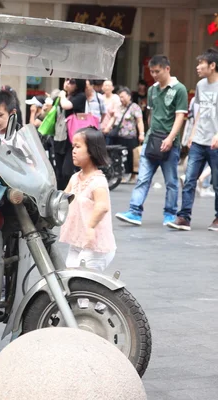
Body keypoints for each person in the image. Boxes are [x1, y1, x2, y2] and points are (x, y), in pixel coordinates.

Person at [115, 55, 188, 226]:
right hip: (151, 140)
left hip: (170, 142)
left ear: (167, 69)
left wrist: (170, 138)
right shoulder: (152, 90)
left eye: (157, 71)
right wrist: (148, 134)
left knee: (171, 181)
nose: (154, 75)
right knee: (143, 178)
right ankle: (134, 211)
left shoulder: (179, 89)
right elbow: (151, 115)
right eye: (152, 71)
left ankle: (170, 214)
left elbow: (180, 117)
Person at [167, 49, 218, 231]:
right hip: (199, 141)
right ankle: (184, 217)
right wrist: (192, 133)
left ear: (212, 65)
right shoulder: (201, 85)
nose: (198, 67)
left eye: (201, 63)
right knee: (189, 179)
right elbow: (201, 110)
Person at [60, 127, 116, 272]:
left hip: (96, 245)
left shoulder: (98, 181)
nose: (73, 150)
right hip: (78, 241)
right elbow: (63, 199)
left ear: (92, 150)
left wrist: (90, 227)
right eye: (73, 146)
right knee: (69, 280)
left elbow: (102, 206)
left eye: (78, 147)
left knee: (82, 282)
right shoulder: (75, 178)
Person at [104, 87, 145, 183]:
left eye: (123, 97)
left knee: (132, 157)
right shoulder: (119, 107)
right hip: (119, 136)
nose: (121, 99)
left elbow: (139, 121)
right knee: (119, 157)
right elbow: (113, 119)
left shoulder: (135, 107)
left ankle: (133, 176)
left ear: (129, 96)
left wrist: (142, 134)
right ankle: (121, 175)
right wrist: (107, 127)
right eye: (120, 97)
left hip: (130, 137)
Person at [54, 78, 87, 190]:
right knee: (58, 172)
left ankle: (70, 194)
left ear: (78, 85)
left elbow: (66, 106)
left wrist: (62, 95)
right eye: (66, 80)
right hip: (59, 136)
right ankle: (61, 197)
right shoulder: (62, 97)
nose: (67, 83)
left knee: (67, 171)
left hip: (72, 138)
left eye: (71, 82)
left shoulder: (80, 96)